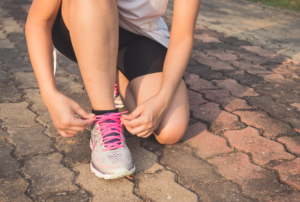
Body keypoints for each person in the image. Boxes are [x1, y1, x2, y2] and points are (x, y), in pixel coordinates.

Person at [25, 0, 201, 179]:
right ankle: (104, 118)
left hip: (141, 36)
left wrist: (163, 98)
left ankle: (109, 74)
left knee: (169, 130)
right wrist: (49, 93)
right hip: (82, 19)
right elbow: (39, 20)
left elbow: (183, 36)